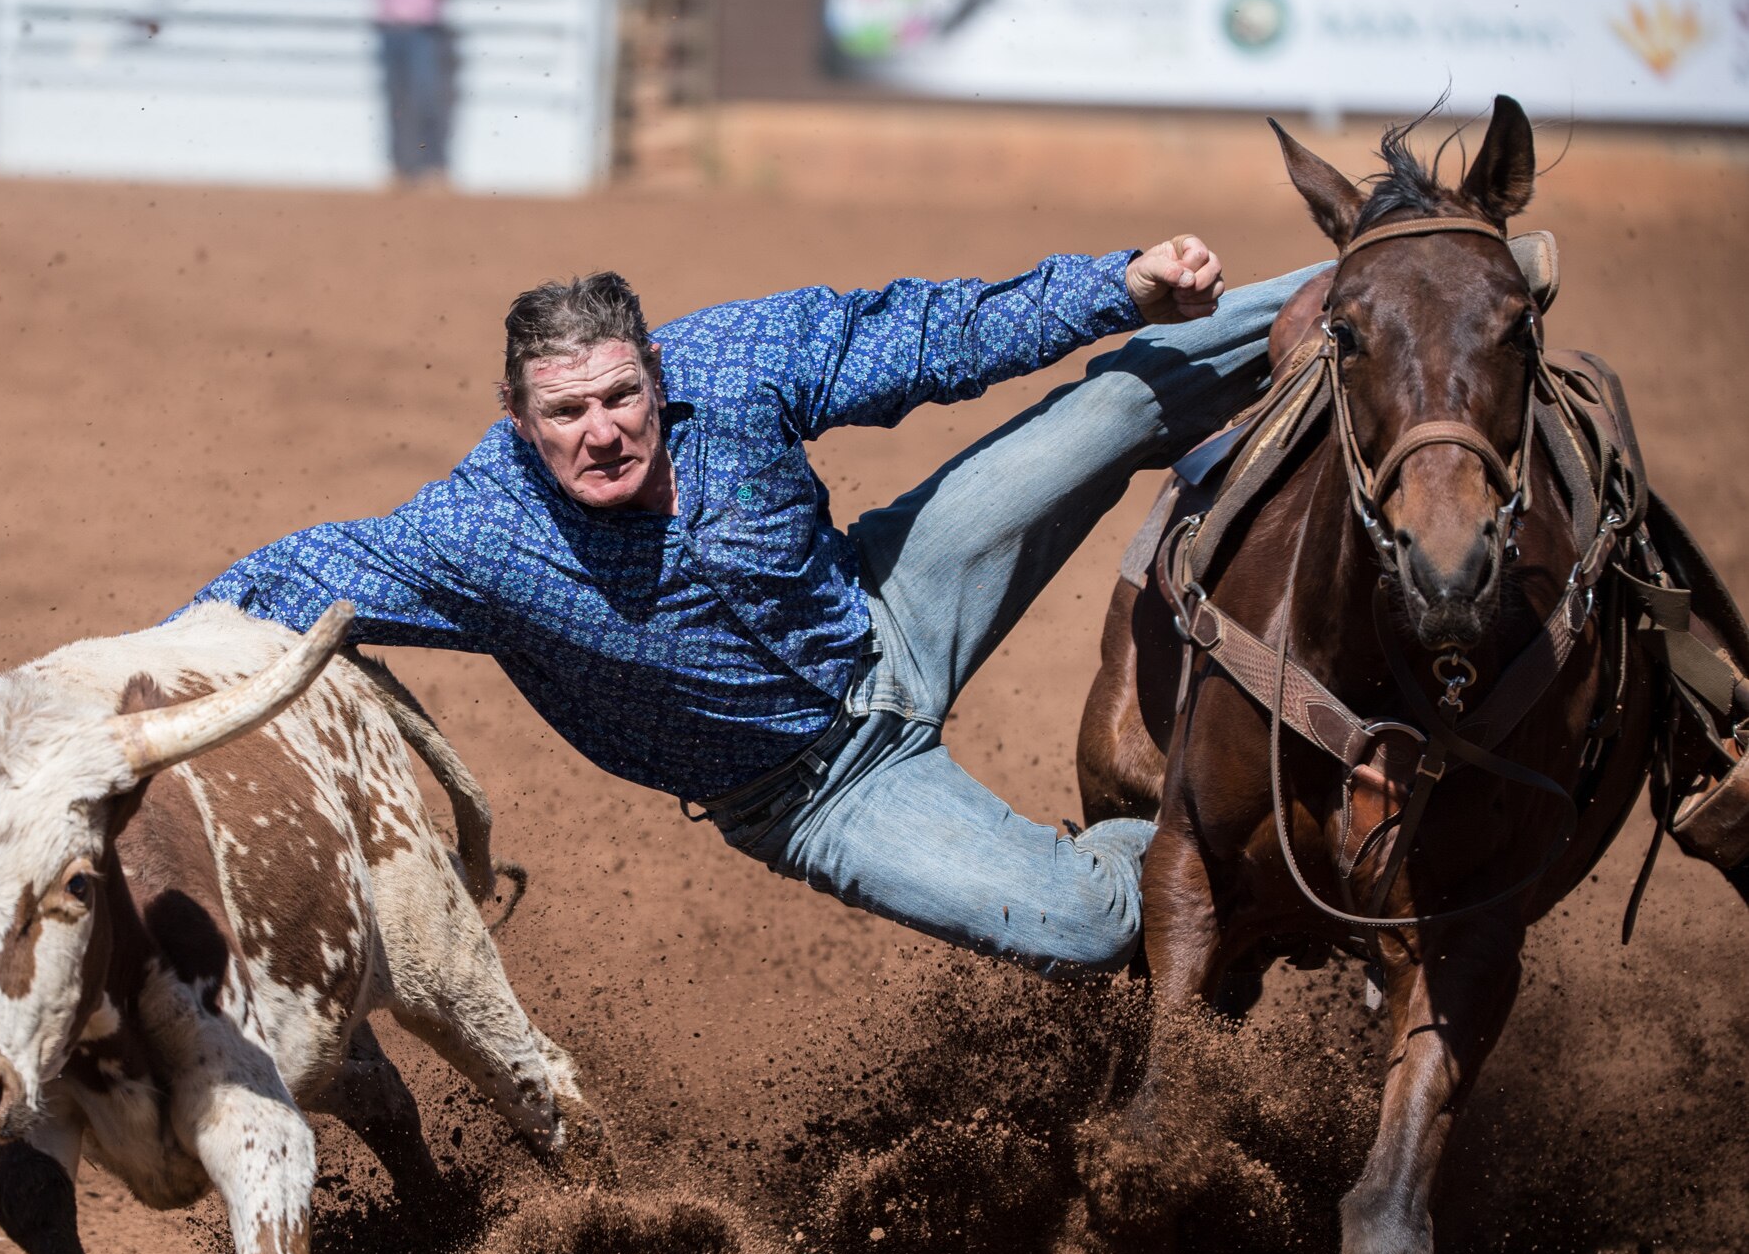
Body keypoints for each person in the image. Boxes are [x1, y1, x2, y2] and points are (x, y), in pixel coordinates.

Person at [192, 243, 1318, 975]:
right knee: (1086, 927)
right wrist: (128, 686)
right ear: (516, 413)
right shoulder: (476, 537)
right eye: (566, 409)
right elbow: (280, 580)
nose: (602, 431)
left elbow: (932, 336)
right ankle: (1193, 854)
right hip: (812, 792)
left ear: (656, 376)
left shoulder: (732, 363)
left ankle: (1405, 283)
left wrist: (1117, 287)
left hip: (890, 607)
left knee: (1124, 401)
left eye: (622, 395)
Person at [341, 0, 458, 184]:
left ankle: (433, 166)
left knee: (427, 96)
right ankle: (402, 166)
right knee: (398, 99)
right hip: (389, 26)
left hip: (424, 29)